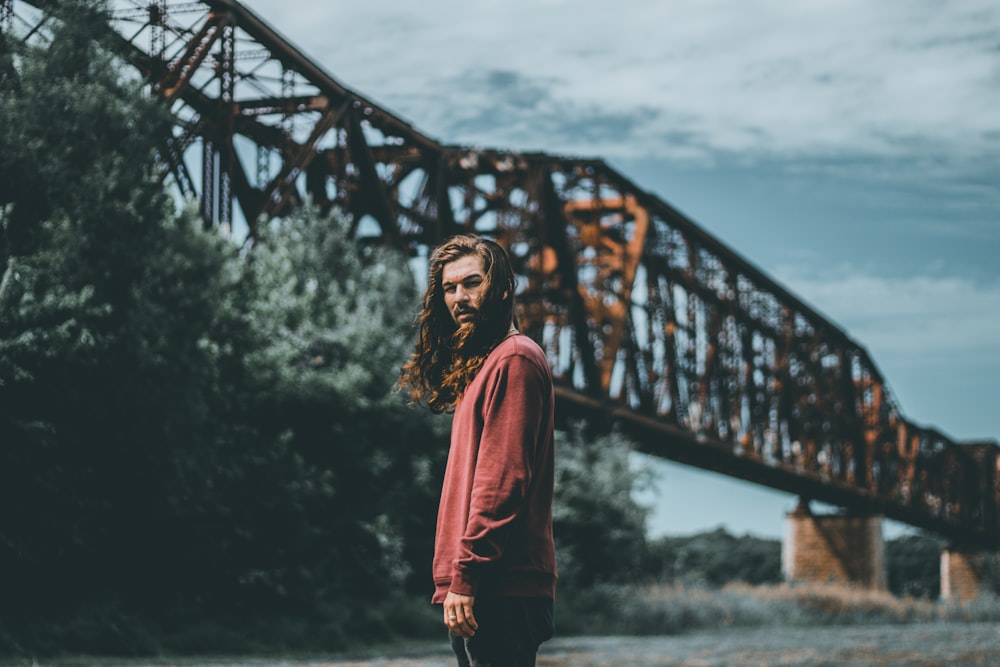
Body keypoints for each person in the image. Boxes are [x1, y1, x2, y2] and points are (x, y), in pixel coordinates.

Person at [398, 234, 557, 667]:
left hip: (498, 586)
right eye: (449, 288)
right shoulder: (489, 366)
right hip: (483, 584)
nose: (459, 297)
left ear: (503, 287)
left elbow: (502, 481)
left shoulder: (515, 359)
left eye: (472, 283)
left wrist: (466, 576)